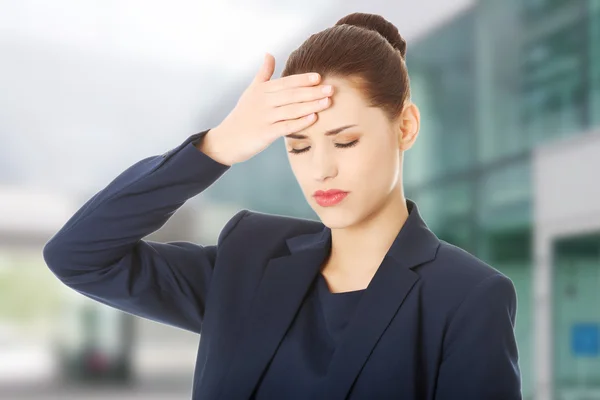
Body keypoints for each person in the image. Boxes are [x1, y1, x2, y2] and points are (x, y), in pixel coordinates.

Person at [43, 12, 522, 400]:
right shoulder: (249, 260)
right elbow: (79, 256)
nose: (321, 170)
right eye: (298, 147)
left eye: (346, 141)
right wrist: (215, 147)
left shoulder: (467, 299)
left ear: (406, 127)